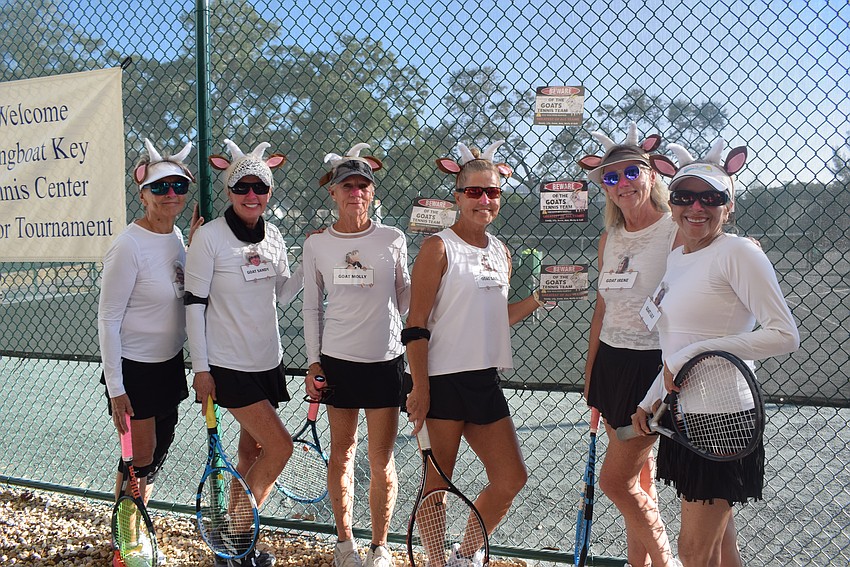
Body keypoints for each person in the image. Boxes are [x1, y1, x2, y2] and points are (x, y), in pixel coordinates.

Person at [631, 140, 799, 567]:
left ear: (730, 206)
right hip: (686, 415)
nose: (696, 207)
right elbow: (676, 348)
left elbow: (784, 335)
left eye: (711, 197)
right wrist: (649, 400)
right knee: (722, 549)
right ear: (672, 203)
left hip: (724, 420)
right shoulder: (680, 258)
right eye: (684, 196)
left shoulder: (739, 253)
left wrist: (702, 350)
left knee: (693, 552)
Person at [403, 141, 543, 567]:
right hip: (441, 382)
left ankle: (465, 554)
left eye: (493, 192)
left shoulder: (501, 252)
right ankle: (435, 561)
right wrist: (421, 388)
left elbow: (495, 318)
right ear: (457, 196)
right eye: (475, 192)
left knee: (510, 478)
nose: (485, 200)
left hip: (484, 382)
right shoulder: (437, 248)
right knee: (436, 485)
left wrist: (539, 298)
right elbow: (416, 324)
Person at [184, 139, 303, 567]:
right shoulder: (210, 238)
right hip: (227, 367)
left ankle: (234, 547)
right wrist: (201, 369)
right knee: (281, 447)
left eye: (260, 186)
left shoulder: (275, 235)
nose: (252, 194)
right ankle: (236, 536)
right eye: (242, 187)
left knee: (251, 454)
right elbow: (193, 304)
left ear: (269, 191)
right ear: (230, 191)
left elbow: (284, 293)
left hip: (268, 364)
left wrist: (310, 259)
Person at [303, 143, 410, 567]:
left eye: (363, 185)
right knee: (342, 452)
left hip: (386, 360)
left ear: (372, 193)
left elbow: (405, 299)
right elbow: (312, 306)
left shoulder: (393, 239)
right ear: (333, 192)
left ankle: (380, 547)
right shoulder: (317, 245)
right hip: (337, 362)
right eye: (348, 185)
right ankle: (345, 544)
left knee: (381, 458)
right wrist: (314, 361)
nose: (356, 192)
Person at [578, 122, 680, 567]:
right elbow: (602, 310)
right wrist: (591, 375)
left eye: (631, 173)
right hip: (611, 364)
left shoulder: (675, 229)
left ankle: (666, 562)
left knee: (616, 484)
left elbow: (712, 253)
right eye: (611, 177)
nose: (621, 184)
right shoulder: (610, 237)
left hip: (652, 368)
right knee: (640, 477)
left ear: (651, 175)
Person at [98, 138, 203, 565]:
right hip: (134, 369)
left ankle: (133, 518)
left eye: (178, 186)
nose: (171, 195)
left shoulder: (176, 235)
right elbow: (108, 319)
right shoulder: (128, 245)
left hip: (168, 365)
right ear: (142, 193)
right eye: (160, 188)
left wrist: (194, 248)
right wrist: (116, 388)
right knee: (141, 455)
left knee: (157, 451)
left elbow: (180, 284)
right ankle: (126, 538)